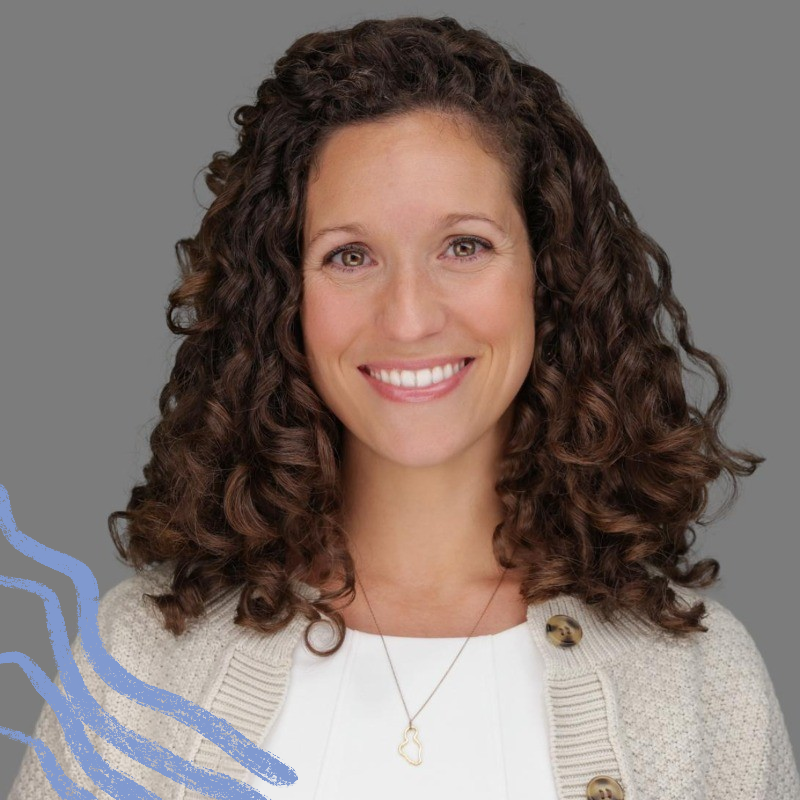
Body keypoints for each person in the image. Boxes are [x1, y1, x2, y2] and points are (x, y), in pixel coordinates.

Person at [9, 14, 800, 800]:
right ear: (284, 298)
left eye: (465, 245)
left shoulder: (699, 676)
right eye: (349, 256)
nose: (410, 317)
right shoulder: (139, 656)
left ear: (549, 275)